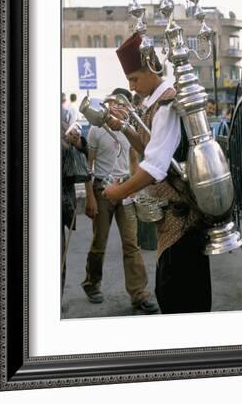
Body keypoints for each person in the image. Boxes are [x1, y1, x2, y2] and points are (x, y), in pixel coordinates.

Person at [103, 32, 212, 314]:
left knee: (180, 299)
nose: (132, 87)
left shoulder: (166, 105)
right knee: (171, 292)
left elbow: (154, 167)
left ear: (152, 69)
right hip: (171, 222)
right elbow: (150, 147)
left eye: (135, 79)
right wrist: (125, 127)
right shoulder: (154, 102)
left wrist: (118, 193)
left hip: (183, 221)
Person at [81, 87, 158, 314]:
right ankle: (92, 283)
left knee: (131, 243)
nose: (119, 108)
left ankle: (139, 295)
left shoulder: (128, 128)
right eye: (116, 103)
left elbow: (134, 161)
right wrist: (90, 198)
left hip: (125, 190)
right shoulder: (96, 130)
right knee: (100, 242)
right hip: (102, 191)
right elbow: (89, 166)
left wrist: (135, 188)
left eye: (124, 105)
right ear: (109, 104)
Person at [61, 119, 90, 293]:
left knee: (57, 256)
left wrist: (77, 141)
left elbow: (83, 151)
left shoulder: (63, 125)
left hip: (60, 200)